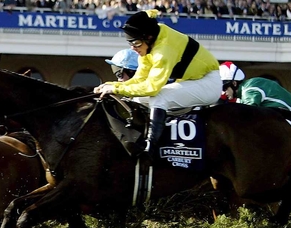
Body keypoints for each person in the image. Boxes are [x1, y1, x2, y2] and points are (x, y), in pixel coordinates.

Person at [93, 10, 221, 157]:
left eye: (136, 43)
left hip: (208, 83)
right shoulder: (152, 40)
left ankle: (150, 148)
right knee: (137, 99)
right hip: (192, 80)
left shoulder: (163, 51)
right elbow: (140, 79)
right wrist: (111, 86)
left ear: (148, 38)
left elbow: (152, 87)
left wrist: (116, 88)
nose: (133, 48)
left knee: (159, 97)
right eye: (130, 43)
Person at [219, 61, 291, 111]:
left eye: (224, 88)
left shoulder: (249, 89)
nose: (224, 92)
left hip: (288, 115)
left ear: (234, 83)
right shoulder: (247, 89)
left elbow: (249, 113)